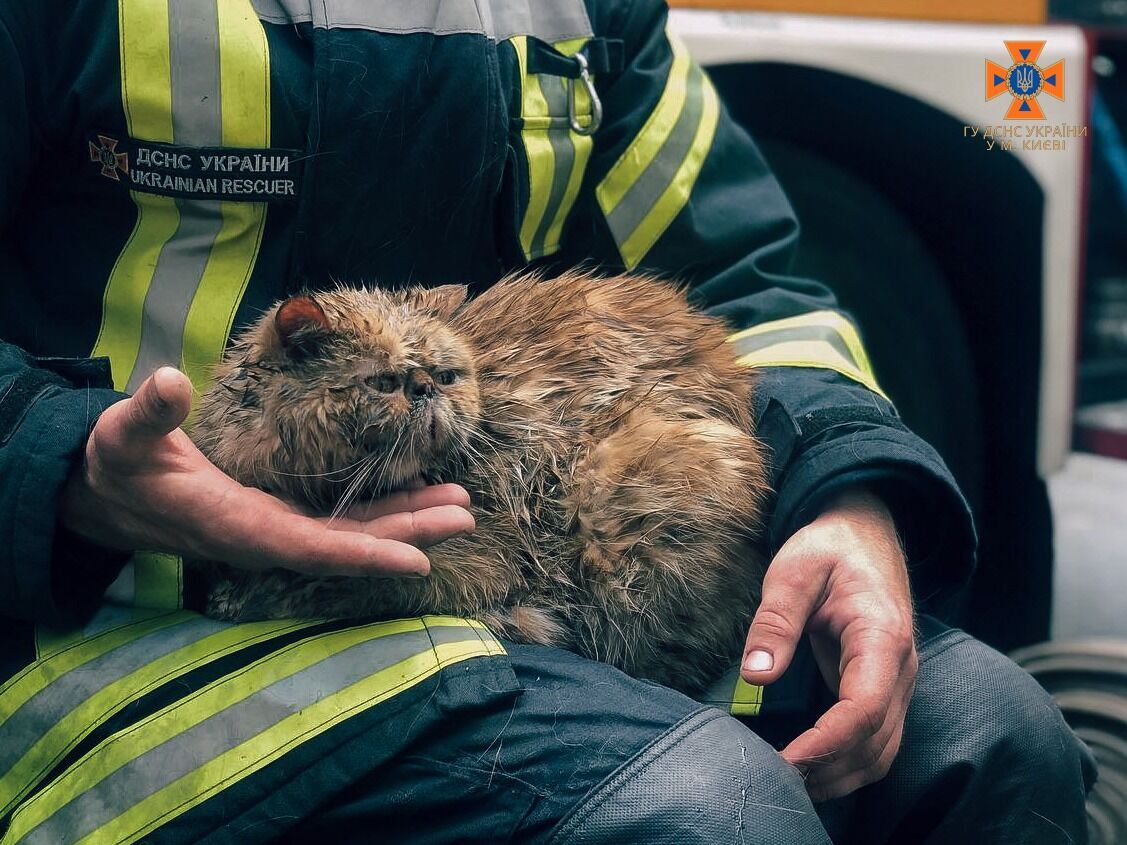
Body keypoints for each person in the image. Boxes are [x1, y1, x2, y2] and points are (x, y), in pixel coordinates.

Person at [0, 0, 1095, 842]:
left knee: (995, 739)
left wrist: (845, 491)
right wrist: (69, 467)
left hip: (520, 559)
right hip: (127, 622)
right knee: (709, 809)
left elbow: (751, 285)